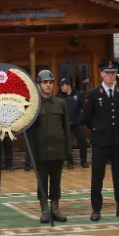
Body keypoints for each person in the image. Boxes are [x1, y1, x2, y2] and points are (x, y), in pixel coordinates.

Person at [81, 60, 119, 221]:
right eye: (108, 72)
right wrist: (98, 129)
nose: (111, 75)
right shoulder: (93, 94)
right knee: (97, 176)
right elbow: (86, 118)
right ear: (101, 74)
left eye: (113, 73)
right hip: (100, 142)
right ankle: (96, 208)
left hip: (117, 141)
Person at [28, 70, 71, 223]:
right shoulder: (34, 105)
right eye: (45, 82)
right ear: (39, 84)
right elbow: (30, 132)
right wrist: (31, 153)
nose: (48, 85)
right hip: (40, 151)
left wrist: (67, 150)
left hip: (57, 149)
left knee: (56, 181)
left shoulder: (60, 103)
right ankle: (44, 209)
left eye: (50, 82)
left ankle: (55, 208)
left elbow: (66, 127)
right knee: (42, 181)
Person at [59, 78, 88, 169]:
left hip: (77, 122)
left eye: (63, 85)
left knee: (82, 141)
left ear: (68, 85)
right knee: (67, 143)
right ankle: (69, 162)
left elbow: (83, 108)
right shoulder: (59, 96)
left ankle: (83, 161)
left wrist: (81, 120)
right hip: (66, 123)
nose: (61, 87)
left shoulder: (78, 94)